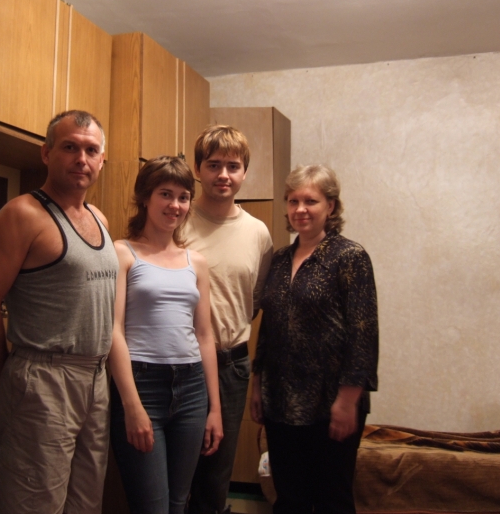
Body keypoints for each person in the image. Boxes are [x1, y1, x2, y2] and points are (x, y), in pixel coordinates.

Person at [0, 110, 118, 514]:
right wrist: (16, 375)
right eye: (70, 147)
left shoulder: (99, 219)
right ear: (47, 153)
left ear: (102, 160)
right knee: (33, 503)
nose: (81, 159)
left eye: (91, 150)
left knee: (85, 504)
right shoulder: (23, 215)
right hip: (43, 377)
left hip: (95, 378)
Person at [250, 164, 379, 514]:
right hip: (280, 402)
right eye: (293, 201)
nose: (300, 209)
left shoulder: (349, 258)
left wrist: (347, 402)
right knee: (289, 499)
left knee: (331, 501)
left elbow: (364, 335)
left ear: (331, 206)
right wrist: (257, 384)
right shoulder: (280, 259)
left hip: (329, 403)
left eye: (311, 201)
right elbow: (269, 327)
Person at [109, 156, 223, 514]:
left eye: (183, 197)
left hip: (192, 389)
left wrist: (215, 408)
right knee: (152, 507)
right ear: (145, 197)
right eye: (165, 194)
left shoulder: (196, 261)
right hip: (142, 385)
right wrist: (131, 406)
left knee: (178, 503)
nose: (175, 205)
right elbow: (113, 331)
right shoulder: (122, 252)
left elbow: (204, 335)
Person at [183, 125, 273, 514]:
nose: (223, 174)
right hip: (178, 363)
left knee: (215, 477)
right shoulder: (176, 218)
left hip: (231, 366)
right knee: (175, 475)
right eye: (214, 165)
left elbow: (254, 300)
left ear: (244, 172)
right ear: (198, 169)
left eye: (233, 166)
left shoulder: (258, 233)